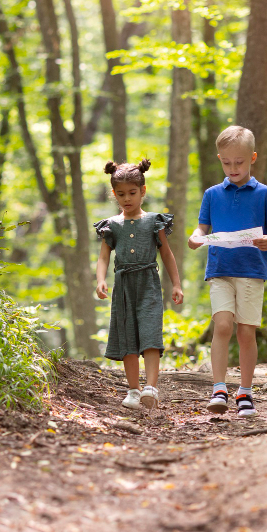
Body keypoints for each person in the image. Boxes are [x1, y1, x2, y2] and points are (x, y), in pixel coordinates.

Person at [188, 126, 267, 418]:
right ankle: (218, 387)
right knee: (223, 325)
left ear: (252, 158)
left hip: (252, 270)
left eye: (239, 162)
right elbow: (202, 226)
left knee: (245, 331)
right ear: (220, 159)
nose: (233, 168)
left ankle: (245, 391)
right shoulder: (212, 194)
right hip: (220, 268)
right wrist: (195, 236)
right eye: (226, 163)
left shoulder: (265, 194)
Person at [95, 159, 184, 410]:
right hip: (122, 286)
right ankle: (133, 390)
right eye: (121, 194)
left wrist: (176, 284)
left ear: (143, 191)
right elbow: (104, 257)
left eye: (132, 193)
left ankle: (151, 388)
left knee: (150, 333)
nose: (127, 198)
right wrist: (101, 280)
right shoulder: (111, 225)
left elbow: (166, 254)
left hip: (149, 284)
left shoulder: (155, 221)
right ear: (114, 194)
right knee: (128, 337)